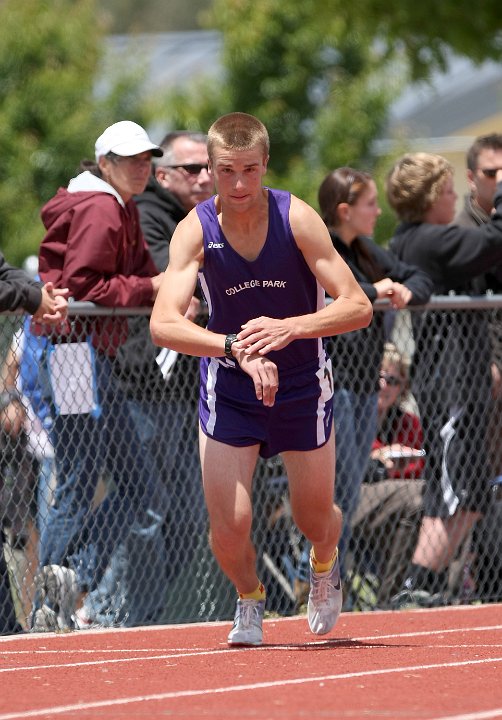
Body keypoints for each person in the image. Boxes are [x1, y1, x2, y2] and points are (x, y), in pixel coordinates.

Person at [150, 111, 373, 646]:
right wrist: (233, 347)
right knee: (230, 525)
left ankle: (325, 561)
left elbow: (358, 306)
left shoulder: (295, 219)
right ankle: (250, 599)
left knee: (313, 516)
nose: (240, 184)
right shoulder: (194, 230)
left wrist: (290, 328)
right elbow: (163, 324)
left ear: (265, 164)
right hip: (230, 386)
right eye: (228, 171)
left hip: (300, 383)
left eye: (250, 169)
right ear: (210, 169)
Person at [32, 120, 168, 632]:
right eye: (130, 158)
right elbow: (83, 287)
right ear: (104, 162)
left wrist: (159, 286)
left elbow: (140, 275)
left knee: (134, 488)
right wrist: (149, 289)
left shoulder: (118, 204)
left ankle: (66, 579)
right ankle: (52, 598)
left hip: (85, 355)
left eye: (147, 157)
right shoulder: (101, 205)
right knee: (80, 481)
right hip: (73, 354)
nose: (143, 165)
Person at [79, 131, 213, 627]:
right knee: (145, 507)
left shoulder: (198, 218)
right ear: (165, 175)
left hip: (182, 389)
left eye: (208, 168)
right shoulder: (151, 215)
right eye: (192, 168)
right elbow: (170, 281)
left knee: (186, 518)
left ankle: (130, 611)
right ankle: (107, 609)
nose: (205, 177)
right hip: (140, 381)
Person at [386, 151, 502, 606]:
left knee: (466, 494)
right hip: (450, 381)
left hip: (460, 378)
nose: (456, 198)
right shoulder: (426, 239)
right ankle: (419, 583)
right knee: (455, 491)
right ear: (432, 196)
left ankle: (424, 584)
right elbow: (491, 242)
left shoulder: (429, 239)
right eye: (450, 190)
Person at [316, 168, 432, 579]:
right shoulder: (321, 245)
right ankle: (323, 576)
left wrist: (403, 290)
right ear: (344, 210)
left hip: (365, 384)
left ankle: (336, 579)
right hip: (334, 384)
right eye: (370, 204)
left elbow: (418, 278)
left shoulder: (365, 248)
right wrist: (376, 290)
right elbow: (331, 293)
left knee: (348, 491)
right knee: (339, 487)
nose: (377, 211)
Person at [0, 252, 67, 635]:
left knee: (44, 530)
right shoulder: (23, 329)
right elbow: (10, 370)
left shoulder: (47, 317)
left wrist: (35, 295)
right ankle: (30, 612)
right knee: (30, 536)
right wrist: (9, 401)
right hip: (28, 449)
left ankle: (23, 618)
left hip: (57, 442)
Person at [347, 343, 425, 608]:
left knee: (422, 498)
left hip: (389, 501)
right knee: (414, 495)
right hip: (351, 497)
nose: (384, 385)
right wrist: (377, 458)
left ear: (402, 388)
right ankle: (391, 597)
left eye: (392, 380)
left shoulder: (407, 421)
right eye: (379, 377)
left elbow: (418, 462)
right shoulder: (352, 413)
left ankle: (398, 596)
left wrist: (389, 463)